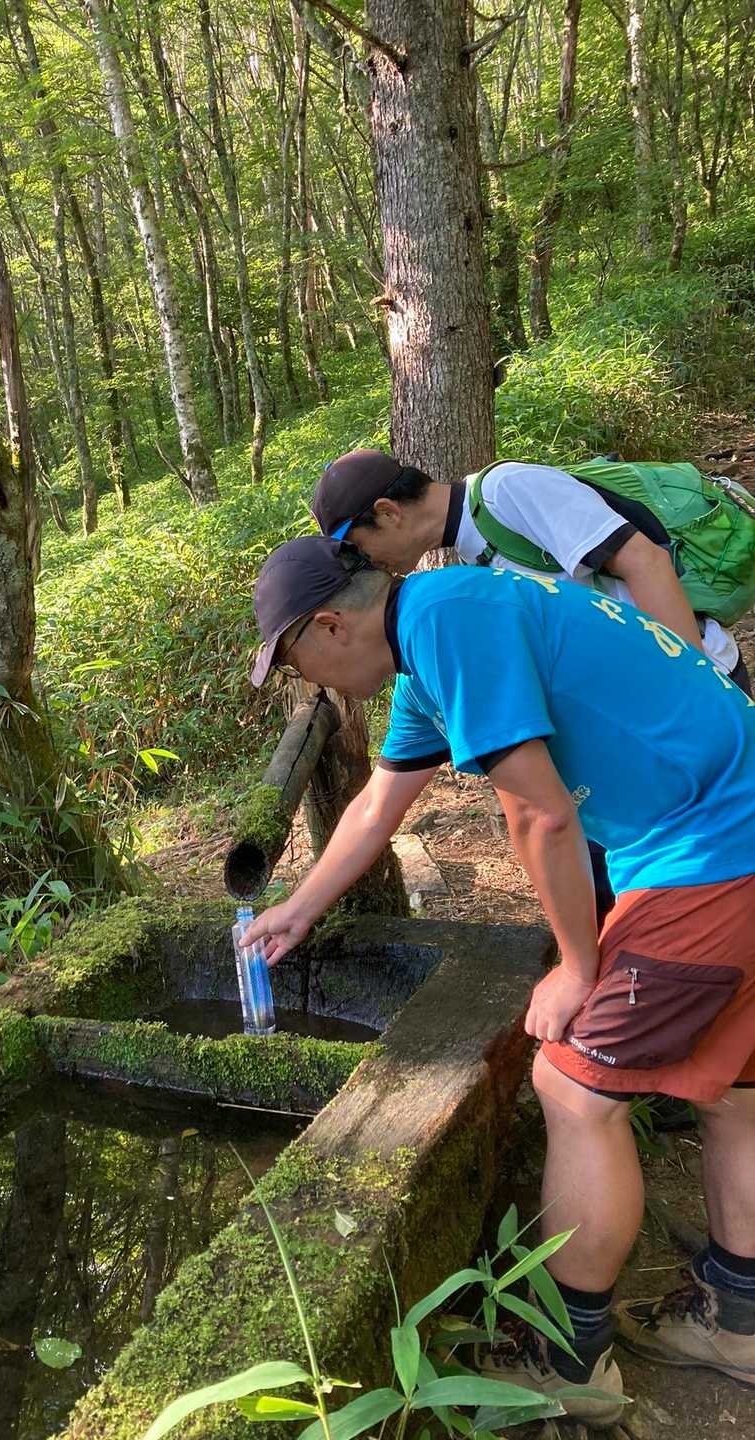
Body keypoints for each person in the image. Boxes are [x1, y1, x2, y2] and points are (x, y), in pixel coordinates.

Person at [245, 535, 755, 1427]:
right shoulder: (440, 638)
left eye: (295, 663)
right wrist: (298, 907)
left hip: (712, 852)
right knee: (733, 1095)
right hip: (727, 826)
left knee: (573, 1089)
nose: (308, 683)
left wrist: (578, 966)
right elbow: (379, 803)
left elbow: (542, 816)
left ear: (329, 625)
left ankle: (566, 1362)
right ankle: (737, 1318)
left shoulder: (451, 626)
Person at [311, 449, 752, 923]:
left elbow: (645, 561)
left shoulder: (510, 490)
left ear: (386, 512)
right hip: (636, 722)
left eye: (355, 546)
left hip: (691, 694)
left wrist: (693, 680)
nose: (364, 564)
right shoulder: (473, 555)